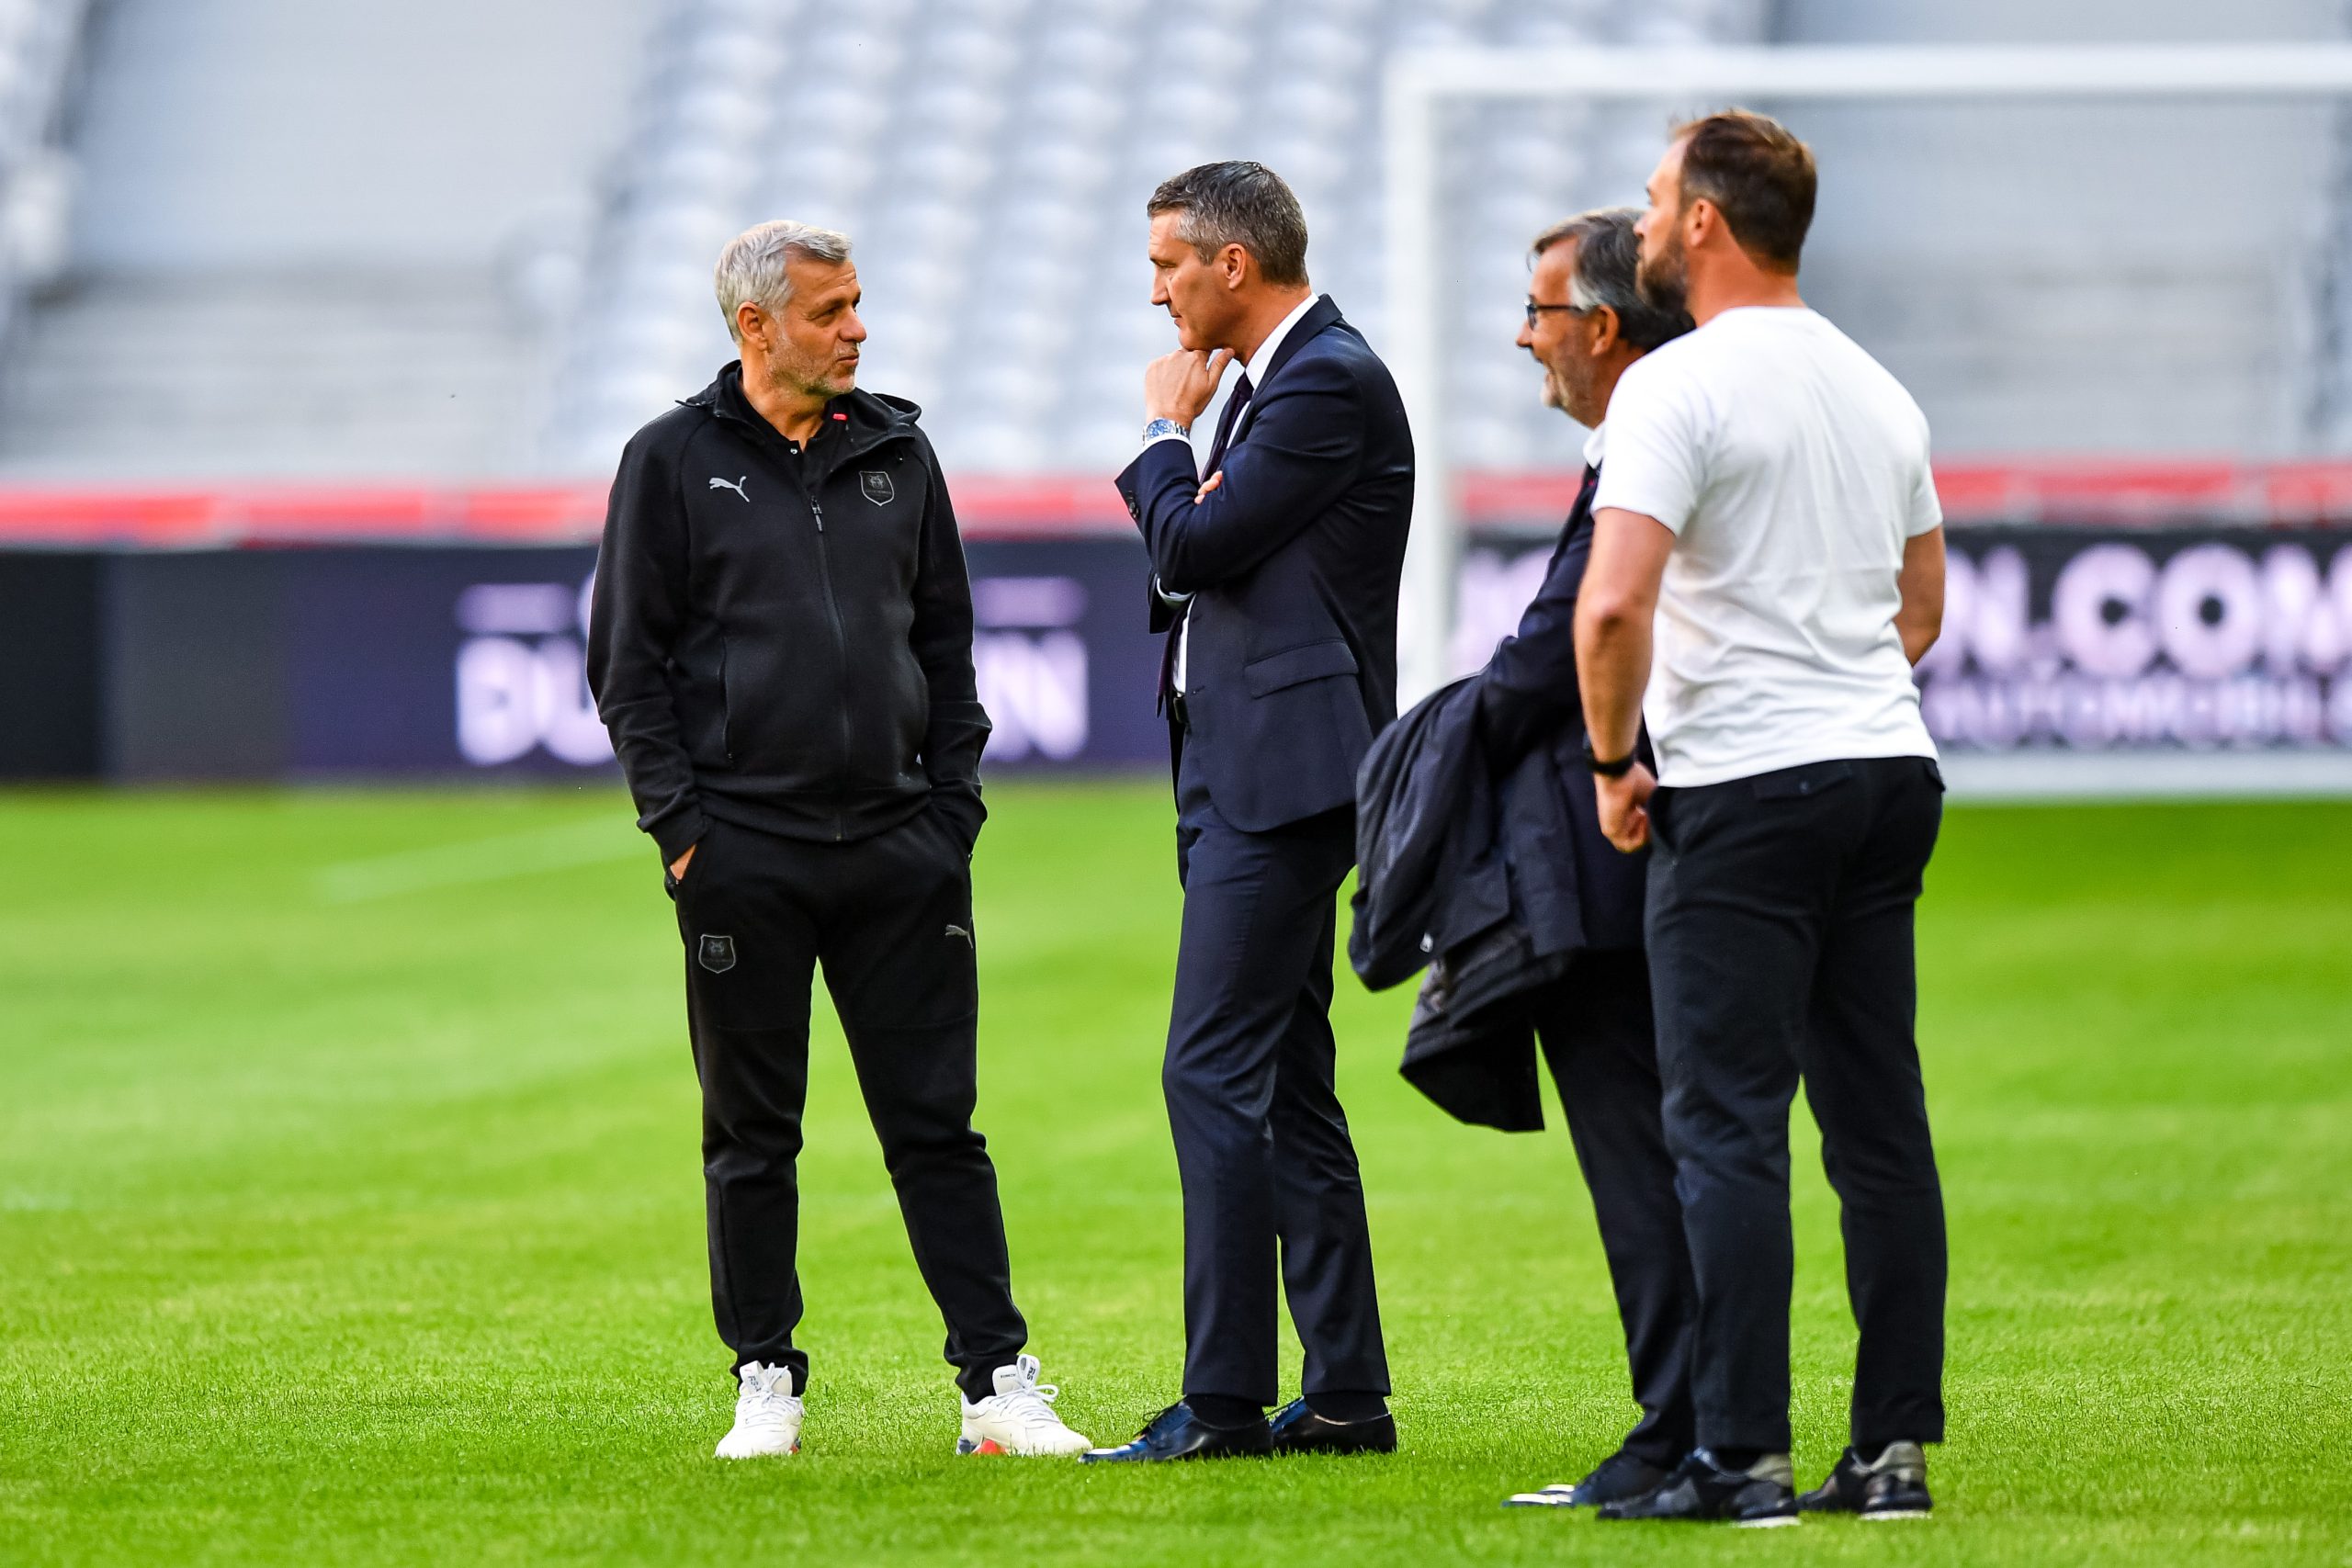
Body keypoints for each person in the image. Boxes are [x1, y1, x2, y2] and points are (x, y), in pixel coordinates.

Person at [585, 219, 1089, 1462]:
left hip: (903, 853)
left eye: (857, 303)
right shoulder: (668, 460)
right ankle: (765, 1378)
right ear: (757, 326)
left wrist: (952, 810)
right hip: (742, 854)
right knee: (752, 1135)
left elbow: (948, 644)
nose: (858, 329)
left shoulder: (900, 452)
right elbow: (627, 667)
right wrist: (685, 834)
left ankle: (995, 1385)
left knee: (939, 1129)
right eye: (831, 311)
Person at [1572, 111, 1950, 1526]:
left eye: (1657, 197)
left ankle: (1740, 1457)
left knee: (1726, 1127)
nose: (1643, 220)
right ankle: (1891, 1452)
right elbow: (1921, 609)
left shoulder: (1676, 386)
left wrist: (1616, 762)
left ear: (1706, 223)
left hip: (1742, 783)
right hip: (1883, 767)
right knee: (1879, 1127)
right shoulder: (1877, 386)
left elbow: (1612, 608)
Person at [1083, 162, 1411, 1463]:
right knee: (1284, 1076)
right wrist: (1196, 493)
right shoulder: (1284, 384)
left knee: (1208, 1069)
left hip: (1280, 778)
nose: (1157, 291)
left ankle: (1220, 1404)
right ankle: (1345, 1396)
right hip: (1244, 764)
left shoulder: (1324, 380)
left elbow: (1191, 550)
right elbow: (1208, 562)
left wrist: (1164, 439)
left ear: (1233, 263)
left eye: (1168, 264)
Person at [1459, 208, 1702, 1513]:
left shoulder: (1651, 445)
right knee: (1706, 1140)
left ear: (1602, 327)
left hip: (1632, 847)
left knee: (1646, 1147)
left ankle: (1683, 1433)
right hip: (1719, 828)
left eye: (1539, 312)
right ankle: (1722, 1427)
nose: (1522, 336)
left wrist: (1452, 736)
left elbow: (1568, 637)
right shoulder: (1681, 426)